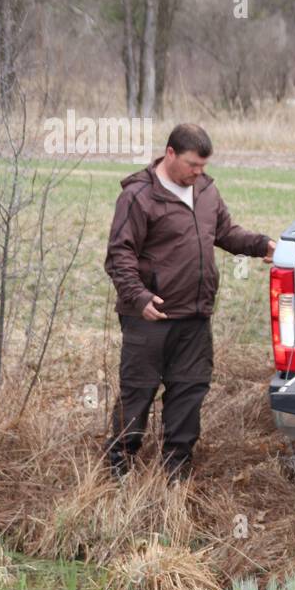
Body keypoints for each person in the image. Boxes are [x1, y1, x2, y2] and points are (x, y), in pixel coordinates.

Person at [102, 123, 275, 481]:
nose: (199, 173)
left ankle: (176, 467)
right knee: (139, 389)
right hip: (150, 315)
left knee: (189, 388)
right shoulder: (138, 196)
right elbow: (119, 255)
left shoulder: (206, 191)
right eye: (192, 165)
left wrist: (262, 245)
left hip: (195, 314)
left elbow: (225, 232)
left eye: (203, 167)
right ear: (170, 154)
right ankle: (120, 463)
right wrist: (139, 298)